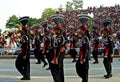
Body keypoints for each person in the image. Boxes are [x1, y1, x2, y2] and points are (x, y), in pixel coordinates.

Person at [75, 14, 90, 82]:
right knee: (79, 66)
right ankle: (84, 79)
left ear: (83, 30)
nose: (80, 31)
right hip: (82, 54)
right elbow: (78, 45)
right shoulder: (83, 37)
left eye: (81, 30)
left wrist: (83, 57)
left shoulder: (85, 38)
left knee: (84, 69)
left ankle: (84, 80)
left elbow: (85, 48)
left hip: (84, 55)